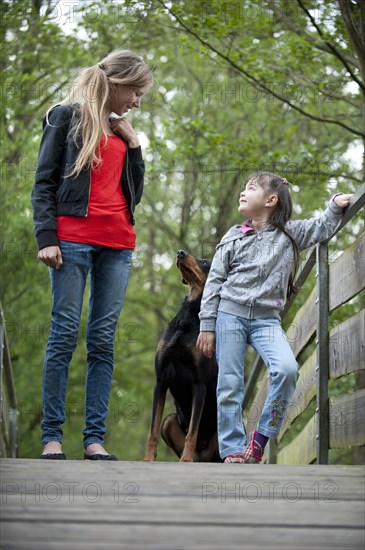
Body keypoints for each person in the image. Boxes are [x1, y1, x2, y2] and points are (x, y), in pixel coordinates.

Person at [31, 50, 154, 460]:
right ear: (116, 83)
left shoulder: (123, 131)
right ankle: (52, 437)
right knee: (64, 334)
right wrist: (45, 236)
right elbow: (43, 182)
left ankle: (94, 439)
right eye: (135, 91)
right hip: (70, 241)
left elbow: (134, 193)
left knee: (102, 341)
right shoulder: (64, 117)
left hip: (118, 245)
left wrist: (134, 144)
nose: (137, 100)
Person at [196, 172, 352, 463]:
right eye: (243, 188)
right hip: (230, 314)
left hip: (267, 320)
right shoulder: (233, 236)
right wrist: (207, 325)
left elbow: (323, 226)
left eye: (250, 188)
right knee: (229, 383)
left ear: (270, 200)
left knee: (287, 370)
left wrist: (334, 204)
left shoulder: (291, 233)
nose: (243, 192)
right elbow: (215, 281)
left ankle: (261, 438)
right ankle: (232, 450)